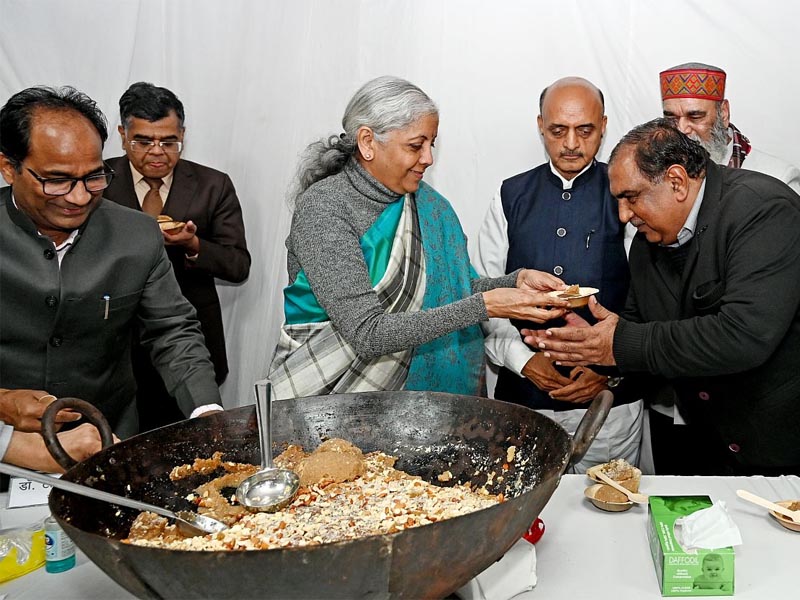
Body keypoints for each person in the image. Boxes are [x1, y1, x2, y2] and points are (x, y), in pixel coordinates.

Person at [527, 118, 800, 476]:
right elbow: (643, 334)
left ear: (676, 181)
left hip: (782, 456)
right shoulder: (646, 245)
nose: (624, 215)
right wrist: (596, 346)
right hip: (708, 449)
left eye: (632, 197)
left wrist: (619, 342)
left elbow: (743, 336)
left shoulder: (763, 210)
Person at [269, 76, 569, 399]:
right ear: (368, 142)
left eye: (431, 144)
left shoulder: (430, 207)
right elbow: (367, 334)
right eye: (415, 145)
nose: (428, 158)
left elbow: (457, 288)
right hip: (326, 399)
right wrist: (486, 306)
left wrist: (515, 282)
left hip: (408, 407)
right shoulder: (325, 208)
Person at [0, 86, 221, 472]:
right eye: (57, 180)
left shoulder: (135, 234)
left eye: (94, 177)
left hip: (106, 445)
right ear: (8, 167)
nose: (80, 197)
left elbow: (173, 331)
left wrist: (206, 410)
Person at [475, 77, 640, 472]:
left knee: (609, 514)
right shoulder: (510, 194)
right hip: (522, 401)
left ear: (602, 126)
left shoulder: (629, 193)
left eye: (584, 131)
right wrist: (523, 361)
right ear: (540, 126)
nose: (570, 144)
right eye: (557, 130)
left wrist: (610, 375)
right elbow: (481, 295)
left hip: (609, 409)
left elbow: (649, 300)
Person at [104, 82, 249, 431]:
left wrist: (193, 245)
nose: (157, 152)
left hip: (190, 343)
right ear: (123, 135)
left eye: (169, 142)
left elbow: (238, 265)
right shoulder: (97, 182)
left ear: (183, 134)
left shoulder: (213, 184)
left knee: (191, 444)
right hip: (114, 345)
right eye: (143, 141)